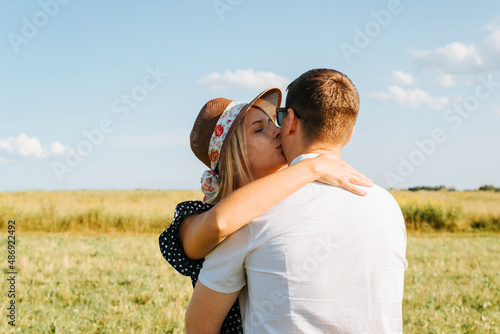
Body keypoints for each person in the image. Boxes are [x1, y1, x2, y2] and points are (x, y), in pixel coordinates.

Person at [185, 69, 408, 333]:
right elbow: (217, 223)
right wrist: (311, 168)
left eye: (276, 120)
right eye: (260, 128)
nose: (277, 131)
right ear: (350, 134)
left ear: (290, 121)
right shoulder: (386, 204)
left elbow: (199, 327)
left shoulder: (254, 215)